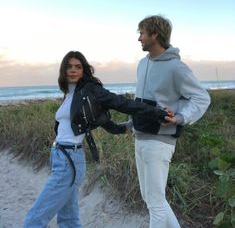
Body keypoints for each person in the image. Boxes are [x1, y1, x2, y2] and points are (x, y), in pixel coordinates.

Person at [23, 50, 170, 228]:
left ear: (84, 70)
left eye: (78, 67)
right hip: (58, 156)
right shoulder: (70, 93)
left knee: (35, 218)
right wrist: (119, 129)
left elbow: (122, 103)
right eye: (69, 67)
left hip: (69, 160)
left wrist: (158, 114)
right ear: (63, 70)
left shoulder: (91, 90)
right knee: (69, 219)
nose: (73, 70)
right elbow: (98, 117)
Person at [129, 15, 211, 228]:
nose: (139, 38)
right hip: (139, 138)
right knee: (150, 199)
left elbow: (202, 97)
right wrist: (130, 123)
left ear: (155, 34)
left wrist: (181, 117)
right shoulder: (142, 64)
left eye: (142, 33)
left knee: (155, 203)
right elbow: (141, 101)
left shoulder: (176, 67)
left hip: (159, 143)